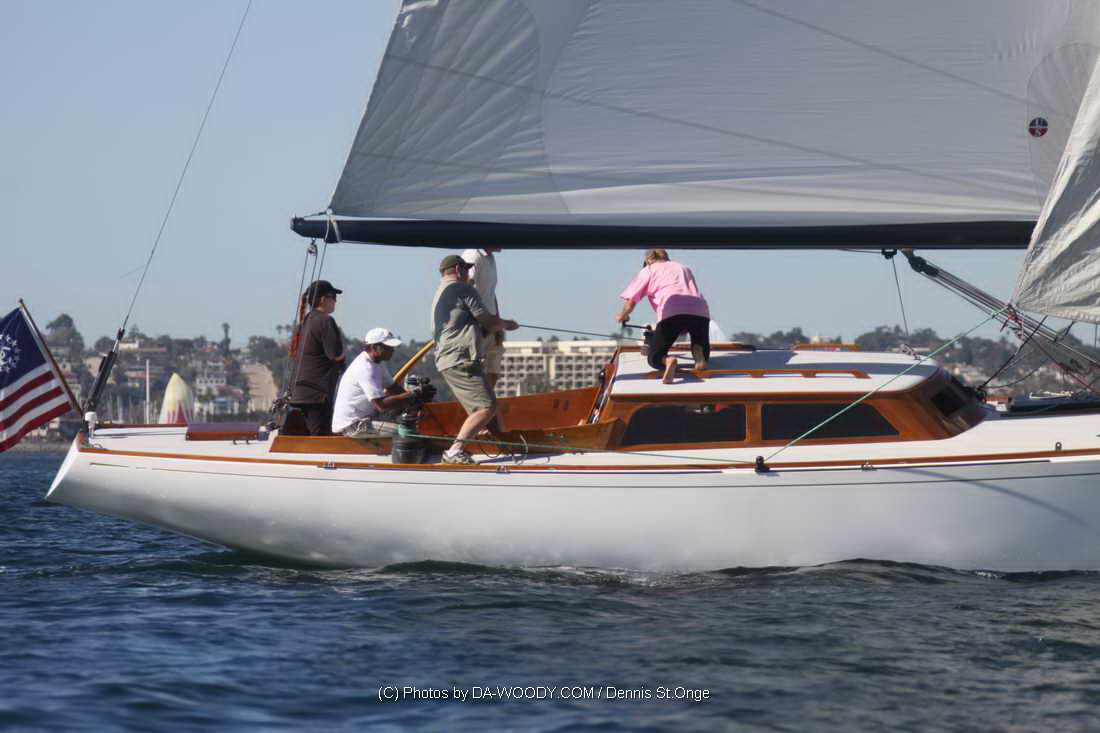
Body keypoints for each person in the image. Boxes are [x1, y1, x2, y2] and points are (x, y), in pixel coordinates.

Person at [430, 254, 518, 465]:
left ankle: (504, 446)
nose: (469, 274)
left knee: (485, 408)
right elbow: (489, 322)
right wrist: (507, 324)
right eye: (467, 269)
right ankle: (454, 451)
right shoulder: (463, 289)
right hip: (461, 359)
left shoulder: (441, 292)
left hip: (447, 359)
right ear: (458, 270)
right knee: (485, 408)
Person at [615, 249, 711, 382]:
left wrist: (623, 315)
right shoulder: (683, 268)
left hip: (672, 309)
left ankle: (667, 360)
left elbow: (631, 301)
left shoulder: (649, 270)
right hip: (699, 309)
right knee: (699, 340)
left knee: (654, 357)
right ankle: (700, 356)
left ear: (648, 260)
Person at [331, 328, 430, 437]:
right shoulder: (366, 368)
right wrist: (413, 394)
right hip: (353, 426)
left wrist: (416, 400)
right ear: (374, 347)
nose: (392, 350)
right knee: (407, 433)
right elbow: (381, 405)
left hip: (365, 419)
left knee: (410, 424)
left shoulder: (377, 363)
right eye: (388, 347)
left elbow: (393, 388)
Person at [288, 279, 346, 435]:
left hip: (300, 394)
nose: (335, 301)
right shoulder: (325, 320)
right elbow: (335, 354)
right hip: (317, 396)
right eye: (333, 297)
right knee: (321, 443)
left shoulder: (307, 320)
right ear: (323, 299)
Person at [461, 247, 504, 389]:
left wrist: (497, 321)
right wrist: (479, 319)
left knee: (493, 368)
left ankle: (489, 399)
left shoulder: (490, 257)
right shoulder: (472, 255)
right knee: (476, 372)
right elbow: (465, 288)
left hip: (491, 323)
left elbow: (491, 293)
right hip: (476, 325)